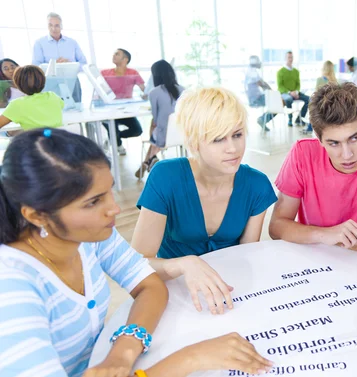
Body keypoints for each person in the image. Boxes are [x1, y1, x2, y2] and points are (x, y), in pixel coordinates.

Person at [0, 128, 273, 377]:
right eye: (94, 202)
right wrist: (191, 358)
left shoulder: (90, 235)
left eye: (108, 192)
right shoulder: (11, 286)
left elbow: (149, 284)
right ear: (37, 216)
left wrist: (125, 350)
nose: (114, 209)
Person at [132, 87, 277, 314]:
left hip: (228, 293)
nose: (233, 148)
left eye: (237, 135)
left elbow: (246, 257)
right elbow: (137, 265)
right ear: (194, 142)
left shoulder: (256, 185)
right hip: (173, 295)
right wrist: (183, 263)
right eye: (218, 139)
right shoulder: (165, 177)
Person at [269, 83, 357, 258]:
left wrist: (311, 236)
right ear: (318, 138)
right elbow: (277, 226)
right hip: (311, 261)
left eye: (354, 138)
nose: (347, 155)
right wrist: (326, 235)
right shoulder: (302, 152)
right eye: (333, 143)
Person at [135, 60, 185, 179]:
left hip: (163, 138)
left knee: (154, 125)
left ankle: (150, 159)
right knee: (160, 128)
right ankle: (149, 160)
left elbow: (156, 119)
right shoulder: (183, 89)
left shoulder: (154, 92)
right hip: (182, 134)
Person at [32, 12, 86, 102]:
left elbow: (83, 63)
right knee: (53, 109)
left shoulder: (72, 42)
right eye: (50, 25)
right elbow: (36, 66)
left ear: (61, 26)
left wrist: (70, 64)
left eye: (57, 25)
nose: (53, 28)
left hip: (72, 82)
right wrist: (53, 65)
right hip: (50, 83)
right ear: (47, 26)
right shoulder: (39, 43)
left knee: (76, 109)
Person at [0, 65, 63, 132]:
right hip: (58, 140)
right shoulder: (53, 96)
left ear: (17, 84)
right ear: (43, 80)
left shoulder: (17, 104)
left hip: (35, 141)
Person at [277, 51, 309, 127]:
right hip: (285, 93)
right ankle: (290, 120)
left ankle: (299, 119)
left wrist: (296, 92)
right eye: (289, 57)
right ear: (285, 58)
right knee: (288, 99)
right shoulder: (280, 72)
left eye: (291, 57)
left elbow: (298, 84)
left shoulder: (296, 72)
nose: (290, 59)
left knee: (309, 99)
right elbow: (280, 86)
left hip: (295, 92)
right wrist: (290, 93)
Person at [245, 55, 276, 131]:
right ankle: (262, 119)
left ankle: (263, 119)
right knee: (277, 103)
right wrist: (273, 92)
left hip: (256, 97)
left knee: (276, 101)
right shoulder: (252, 72)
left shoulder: (251, 71)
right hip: (256, 99)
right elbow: (262, 83)